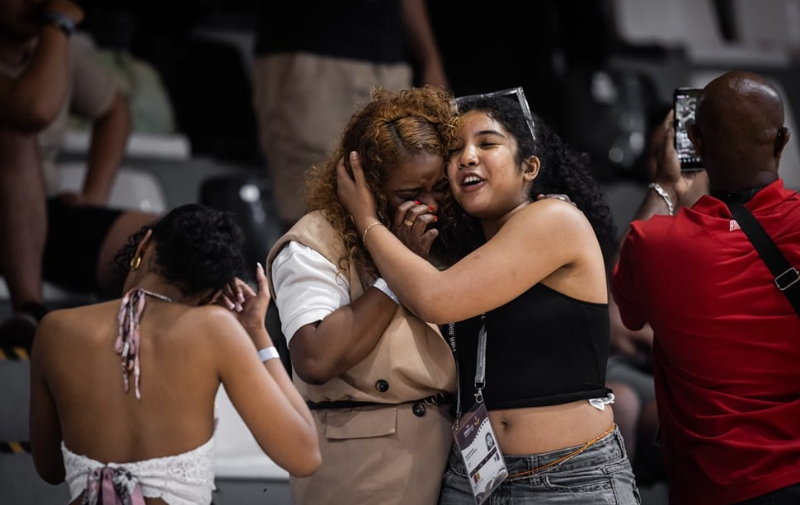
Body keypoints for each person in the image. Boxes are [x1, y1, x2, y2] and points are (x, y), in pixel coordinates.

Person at [337, 88, 639, 504]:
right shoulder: (465, 248)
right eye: (456, 149)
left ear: (529, 166)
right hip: (474, 478)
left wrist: (367, 219)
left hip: (568, 477)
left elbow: (436, 298)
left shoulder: (555, 219)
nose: (468, 156)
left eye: (488, 143)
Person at [30, 203, 321, 504]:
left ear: (143, 245)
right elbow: (305, 455)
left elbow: (50, 469)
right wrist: (257, 332)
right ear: (213, 290)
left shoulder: (54, 330)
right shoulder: (215, 329)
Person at [612, 70, 800, 505]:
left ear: (694, 142)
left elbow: (623, 305)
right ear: (782, 141)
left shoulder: (655, 243)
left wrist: (667, 184)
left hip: (714, 489)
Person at [266, 86, 458, 505]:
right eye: (410, 195)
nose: (430, 207)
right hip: (363, 473)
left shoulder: (455, 237)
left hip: (449, 465)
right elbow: (315, 357)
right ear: (363, 187)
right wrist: (396, 271)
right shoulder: (314, 243)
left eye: (439, 188)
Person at [0, 0, 156, 345]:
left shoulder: (58, 46)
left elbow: (114, 112)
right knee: (14, 135)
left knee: (169, 243)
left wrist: (93, 198)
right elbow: (30, 110)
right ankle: (30, 310)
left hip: (36, 215)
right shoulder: (56, 35)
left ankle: (140, 359)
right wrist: (57, 24)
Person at [253, 0, 449, 230]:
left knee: (401, 196)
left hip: (388, 57)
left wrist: (430, 58)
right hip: (314, 56)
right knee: (312, 213)